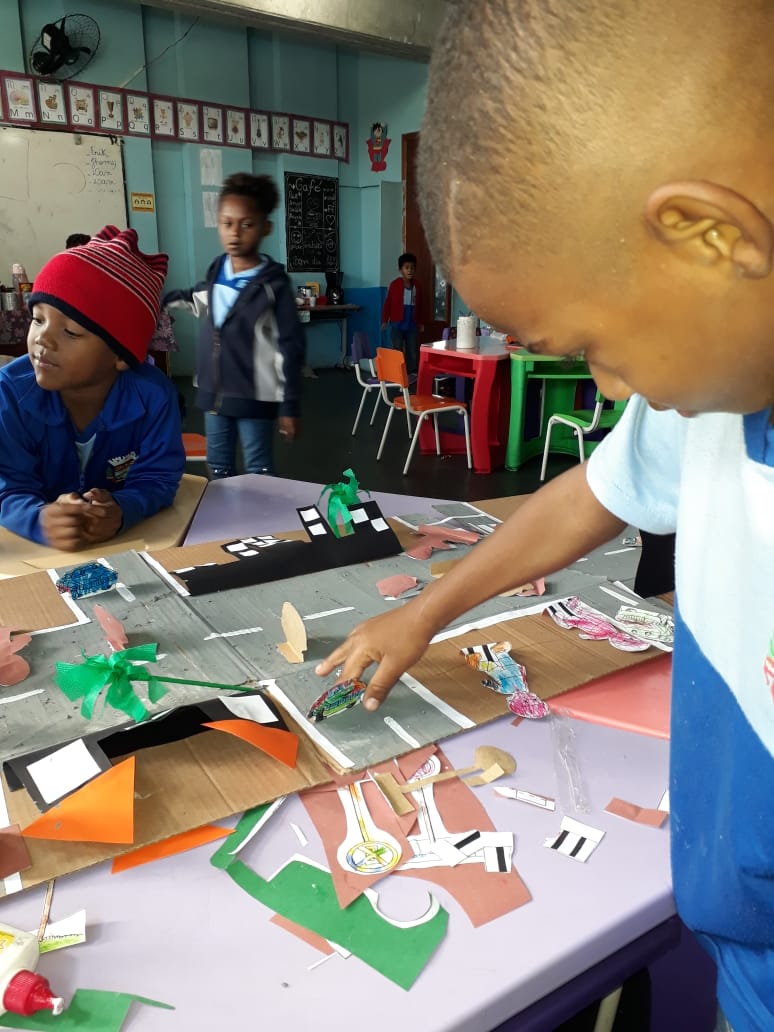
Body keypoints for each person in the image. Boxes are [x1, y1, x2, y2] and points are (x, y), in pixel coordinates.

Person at [317, 3, 774, 1030]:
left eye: (592, 347)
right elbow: (589, 494)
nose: (609, 389)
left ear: (712, 238)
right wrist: (424, 613)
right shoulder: (709, 393)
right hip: (740, 935)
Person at [0, 226, 185, 550]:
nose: (42, 339)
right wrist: (39, 519)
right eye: (38, 319)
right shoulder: (10, 393)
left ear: (120, 356)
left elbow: (158, 478)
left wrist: (123, 509)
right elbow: (7, 485)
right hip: (34, 556)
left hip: (126, 551)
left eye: (71, 332)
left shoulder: (154, 397)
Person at [164, 173, 305, 477]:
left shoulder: (274, 285)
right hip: (215, 394)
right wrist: (157, 300)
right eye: (227, 223)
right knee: (218, 469)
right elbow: (199, 297)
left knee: (258, 471)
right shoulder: (218, 269)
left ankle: (259, 512)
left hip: (255, 396)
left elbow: (290, 347)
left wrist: (289, 406)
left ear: (266, 227)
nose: (235, 233)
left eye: (247, 224)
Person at [381, 252, 423, 375]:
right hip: (397, 324)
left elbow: (421, 305)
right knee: (397, 349)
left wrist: (421, 322)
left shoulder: (417, 286)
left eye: (412, 267)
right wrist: (384, 320)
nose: (410, 270)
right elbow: (388, 303)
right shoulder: (394, 285)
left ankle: (412, 371)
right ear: (401, 270)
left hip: (411, 324)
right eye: (406, 267)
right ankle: (397, 372)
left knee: (412, 349)